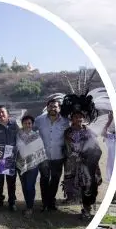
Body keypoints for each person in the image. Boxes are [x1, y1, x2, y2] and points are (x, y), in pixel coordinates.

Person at [60, 93, 103, 221]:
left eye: (80, 117)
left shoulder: (89, 132)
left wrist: (86, 157)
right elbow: (66, 148)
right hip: (72, 165)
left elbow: (96, 149)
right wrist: (72, 155)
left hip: (87, 165)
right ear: (71, 119)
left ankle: (86, 209)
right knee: (73, 186)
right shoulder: (67, 132)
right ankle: (74, 200)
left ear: (83, 119)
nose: (78, 119)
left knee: (88, 186)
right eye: (76, 117)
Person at [34, 94, 69, 212]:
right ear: (47, 107)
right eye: (50, 106)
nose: (52, 109)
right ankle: (45, 202)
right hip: (43, 156)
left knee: (55, 180)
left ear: (59, 108)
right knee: (44, 179)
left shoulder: (65, 121)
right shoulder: (39, 120)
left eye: (55, 107)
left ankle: (51, 202)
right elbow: (30, 131)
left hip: (58, 156)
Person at [0, 104, 19, 210]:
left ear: (7, 113)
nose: (1, 114)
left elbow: (19, 139)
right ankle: (0, 201)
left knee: (11, 182)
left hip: (11, 159)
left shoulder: (14, 124)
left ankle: (12, 202)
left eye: (3, 112)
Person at [14, 114, 43, 216]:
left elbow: (40, 151)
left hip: (32, 166)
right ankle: (27, 204)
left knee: (30, 186)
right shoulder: (18, 135)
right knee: (24, 186)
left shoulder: (36, 136)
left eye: (29, 123)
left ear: (32, 124)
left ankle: (30, 208)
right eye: (25, 123)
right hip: (20, 165)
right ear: (22, 124)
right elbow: (16, 149)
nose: (27, 125)